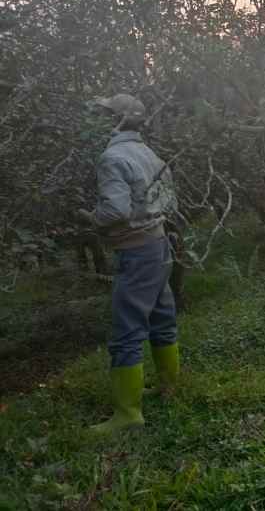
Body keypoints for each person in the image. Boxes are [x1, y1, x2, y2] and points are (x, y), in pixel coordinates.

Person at [79, 93, 180, 434]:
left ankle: (128, 414)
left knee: (127, 330)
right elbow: (171, 198)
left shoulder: (112, 157)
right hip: (159, 242)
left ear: (116, 121)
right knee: (162, 316)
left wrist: (90, 217)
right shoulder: (147, 152)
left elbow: (115, 212)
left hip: (137, 251)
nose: (100, 120)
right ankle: (168, 387)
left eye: (105, 115)